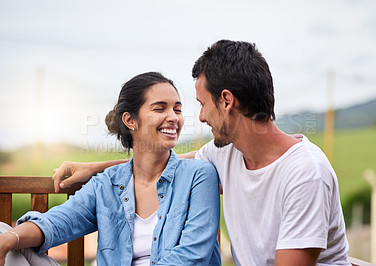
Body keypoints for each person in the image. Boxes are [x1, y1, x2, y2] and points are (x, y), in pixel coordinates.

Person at [52, 40, 351, 265]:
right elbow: (163, 163)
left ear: (226, 101)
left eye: (202, 103)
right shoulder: (228, 153)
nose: (202, 117)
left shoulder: (305, 174)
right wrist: (95, 168)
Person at [0, 72, 221, 266]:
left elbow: (193, 255)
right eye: (160, 108)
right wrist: (11, 239)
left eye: (178, 109)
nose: (173, 117)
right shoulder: (106, 184)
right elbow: (57, 222)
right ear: (130, 120)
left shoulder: (198, 175)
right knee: (3, 233)